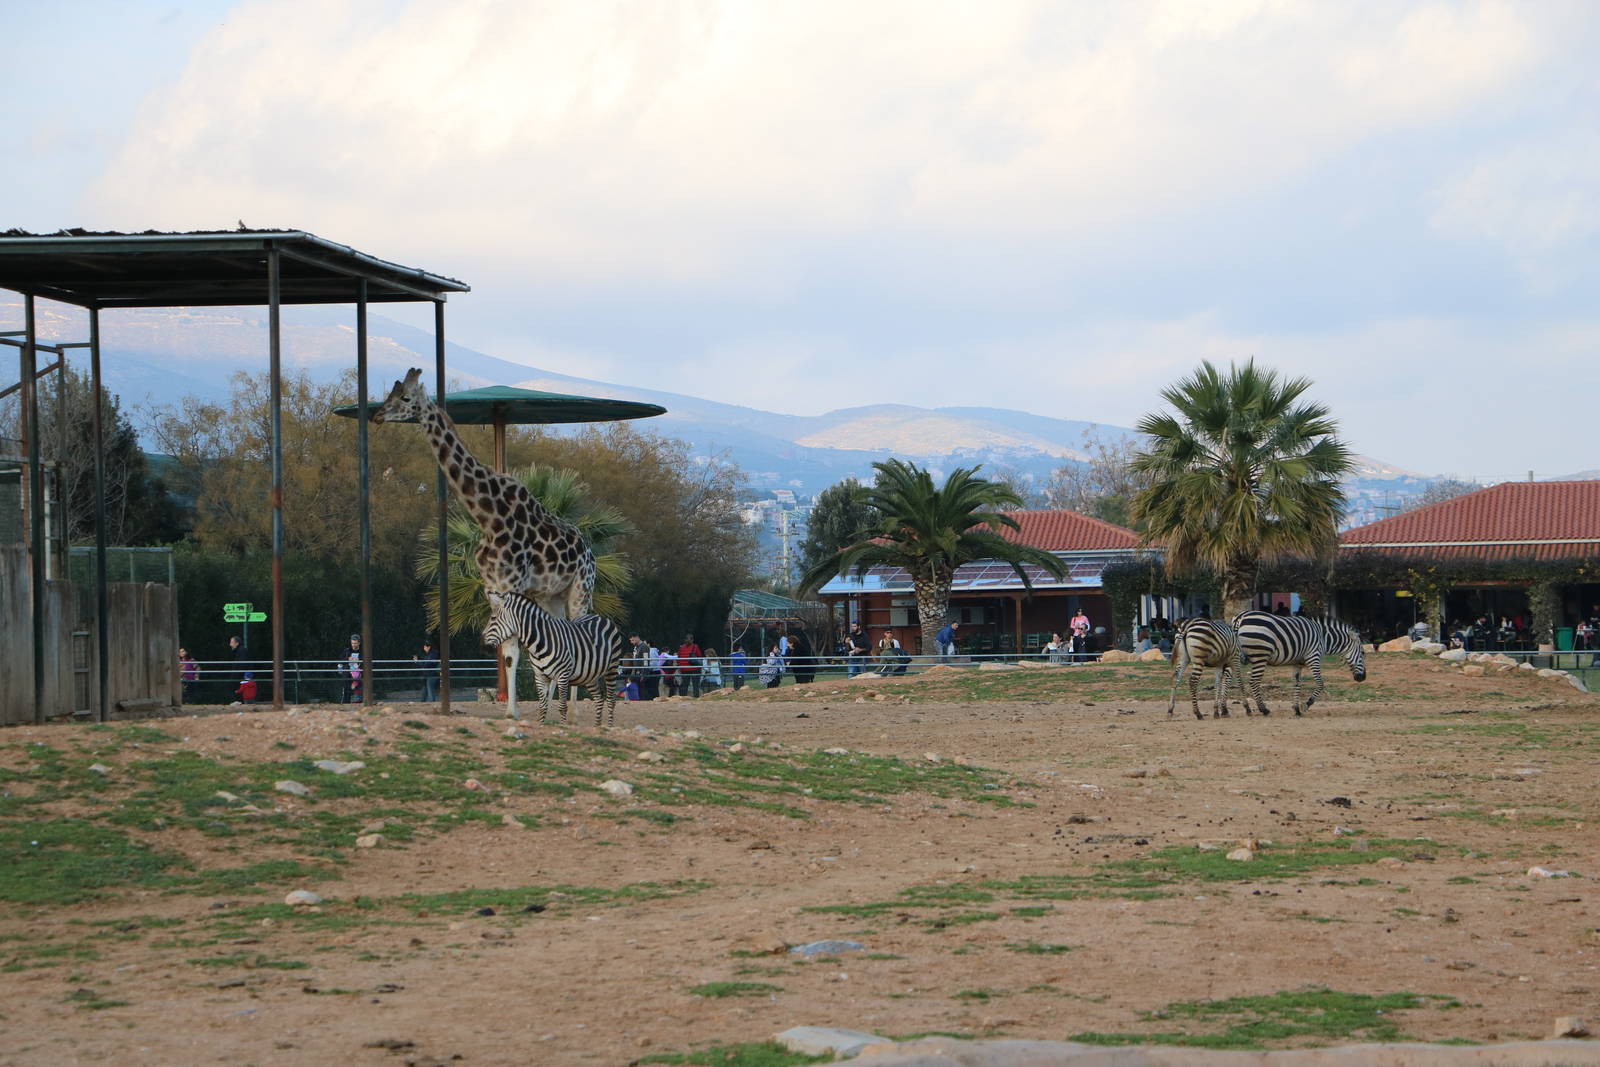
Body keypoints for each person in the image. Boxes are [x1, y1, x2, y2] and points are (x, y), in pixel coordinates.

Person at [414, 636, 440, 702]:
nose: (424, 648)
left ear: (429, 647)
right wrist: (418, 662)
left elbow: (427, 664)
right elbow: (425, 664)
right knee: (425, 688)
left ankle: (432, 702)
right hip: (428, 674)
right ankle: (423, 701)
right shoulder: (429, 655)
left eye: (425, 647)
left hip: (431, 675)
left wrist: (417, 662)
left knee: (430, 689)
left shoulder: (432, 654)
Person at [337, 634, 362, 704]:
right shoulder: (347, 651)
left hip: (358, 673)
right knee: (346, 687)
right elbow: (340, 660)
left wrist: (359, 660)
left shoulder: (363, 651)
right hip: (347, 672)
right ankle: (345, 702)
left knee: (358, 685)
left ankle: (359, 701)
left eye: (355, 643)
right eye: (352, 643)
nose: (353, 645)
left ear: (359, 643)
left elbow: (366, 662)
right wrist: (348, 659)